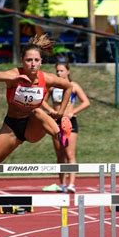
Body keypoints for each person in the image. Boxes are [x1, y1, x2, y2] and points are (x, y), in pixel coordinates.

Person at [0, 34, 73, 165]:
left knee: (37, 112)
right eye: (29, 60)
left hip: (33, 126)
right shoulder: (15, 74)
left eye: (36, 60)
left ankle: (60, 134)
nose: (33, 64)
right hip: (12, 125)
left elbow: (68, 86)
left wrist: (61, 112)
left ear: (41, 61)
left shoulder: (46, 78)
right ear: (22, 61)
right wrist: (13, 79)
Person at [41, 62, 90, 193]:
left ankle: (71, 184)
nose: (59, 73)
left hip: (70, 123)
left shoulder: (73, 86)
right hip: (56, 122)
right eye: (57, 71)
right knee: (60, 154)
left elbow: (86, 102)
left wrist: (73, 112)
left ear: (68, 71)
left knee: (70, 153)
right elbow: (42, 101)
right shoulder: (52, 87)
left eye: (61, 71)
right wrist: (51, 110)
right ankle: (62, 184)